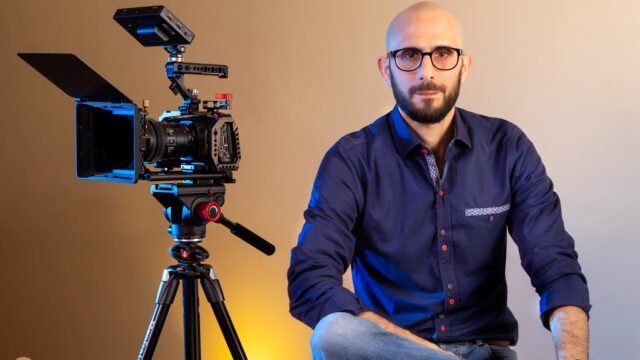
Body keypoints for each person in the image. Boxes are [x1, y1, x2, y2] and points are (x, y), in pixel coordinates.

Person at [287, 2, 590, 359]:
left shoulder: (507, 147)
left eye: (443, 53)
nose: (425, 72)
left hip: (486, 350)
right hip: (393, 354)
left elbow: (555, 266)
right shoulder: (351, 159)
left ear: (465, 64)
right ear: (386, 69)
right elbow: (311, 280)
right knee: (332, 333)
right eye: (409, 55)